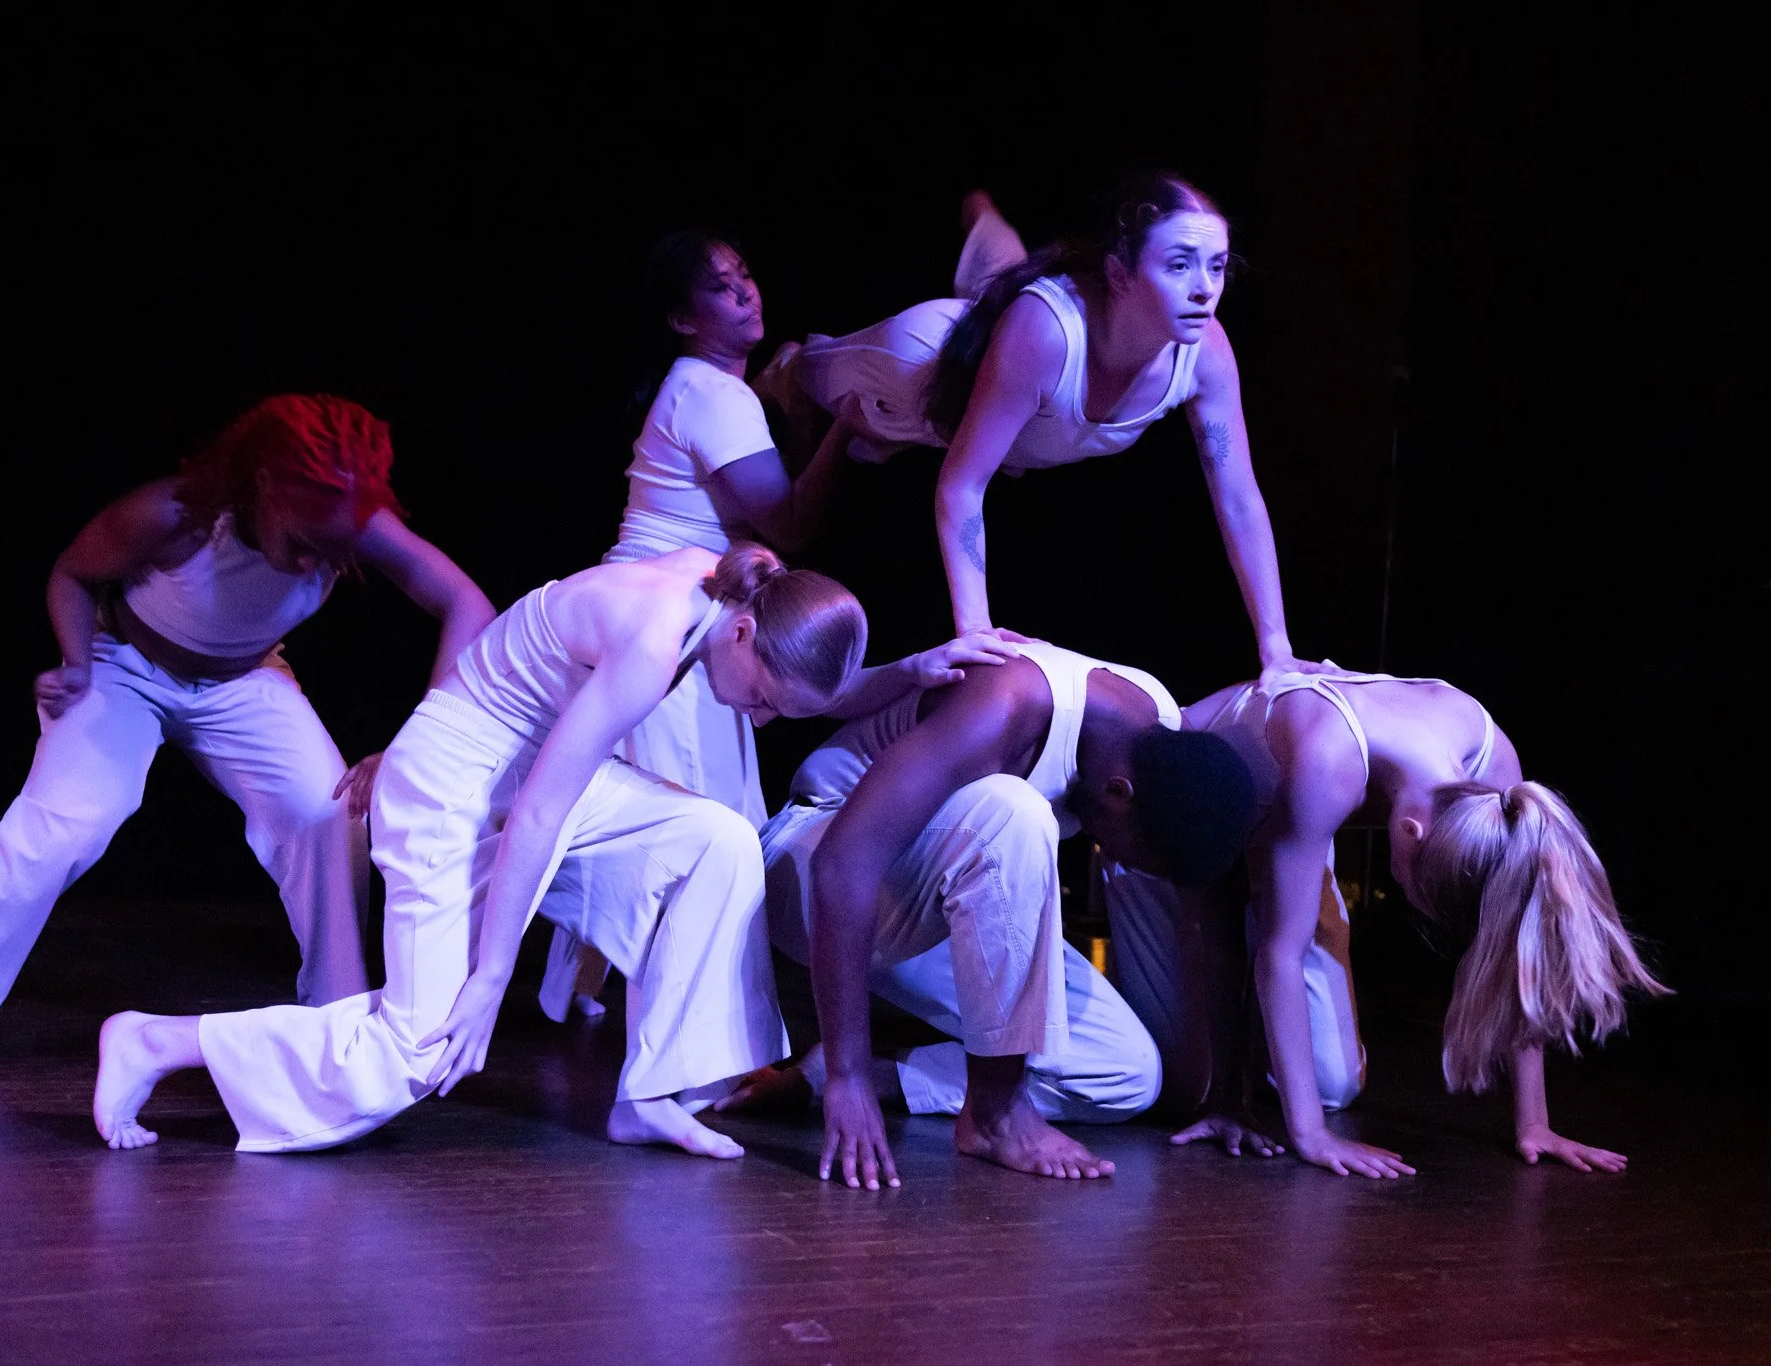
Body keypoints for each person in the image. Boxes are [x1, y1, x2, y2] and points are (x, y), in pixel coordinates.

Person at [92, 544, 1016, 1157]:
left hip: (524, 769)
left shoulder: (741, 591)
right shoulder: (655, 637)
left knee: (717, 839)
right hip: (454, 783)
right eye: (766, 699)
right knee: (423, 1047)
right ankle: (157, 1043)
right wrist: (491, 978)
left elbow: (797, 687)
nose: (763, 719)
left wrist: (910, 672)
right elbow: (539, 814)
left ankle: (651, 1094)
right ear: (743, 637)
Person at [0, 395, 497, 1089]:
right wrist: (76, 659)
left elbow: (466, 603)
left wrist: (420, 740)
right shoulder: (177, 516)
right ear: (265, 487)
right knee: (62, 827)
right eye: (303, 541)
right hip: (126, 667)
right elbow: (73, 573)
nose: (313, 563)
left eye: (332, 552)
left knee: (328, 816)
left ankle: (337, 1028)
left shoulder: (351, 522)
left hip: (246, 679)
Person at [725, 639, 1256, 1188]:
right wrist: (848, 1075)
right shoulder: (1008, 706)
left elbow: (1214, 919)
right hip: (810, 862)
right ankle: (994, 1114)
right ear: (1120, 793)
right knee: (1016, 811)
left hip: (942, 892)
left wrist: (1226, 1099)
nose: (1118, 862)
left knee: (1124, 1072)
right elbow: (843, 864)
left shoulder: (1164, 735)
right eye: (1133, 856)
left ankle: (877, 1075)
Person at [1116, 668, 1669, 1177]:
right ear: (1409, 832)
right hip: (1166, 827)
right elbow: (1279, 954)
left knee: (1330, 1085)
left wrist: (1534, 1122)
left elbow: (1513, 939)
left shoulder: (1494, 775)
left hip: (1288, 831)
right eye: (1414, 891)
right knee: (1188, 1088)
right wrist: (1310, 1137)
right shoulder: (1329, 762)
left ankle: (1254, 1051)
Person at [760, 177, 1315, 675]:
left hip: (1006, 382)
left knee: (1001, 278)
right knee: (812, 376)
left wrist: (1277, 650)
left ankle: (982, 212)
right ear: (1118, 274)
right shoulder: (1045, 332)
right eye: (1179, 265)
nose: (1205, 289)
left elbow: (1238, 496)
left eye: (1217, 265)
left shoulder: (1204, 352)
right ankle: (788, 367)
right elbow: (962, 484)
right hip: (921, 365)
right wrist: (975, 628)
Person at [537, 229, 865, 1022]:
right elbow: (789, 525)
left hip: (674, 617)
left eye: (745, 274)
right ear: (683, 319)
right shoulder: (713, 393)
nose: (746, 291)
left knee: (673, 816)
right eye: (721, 286)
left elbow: (771, 518)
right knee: (706, 830)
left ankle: (578, 986)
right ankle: (694, 1031)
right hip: (675, 626)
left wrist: (803, 415)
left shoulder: (705, 391)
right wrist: (846, 429)